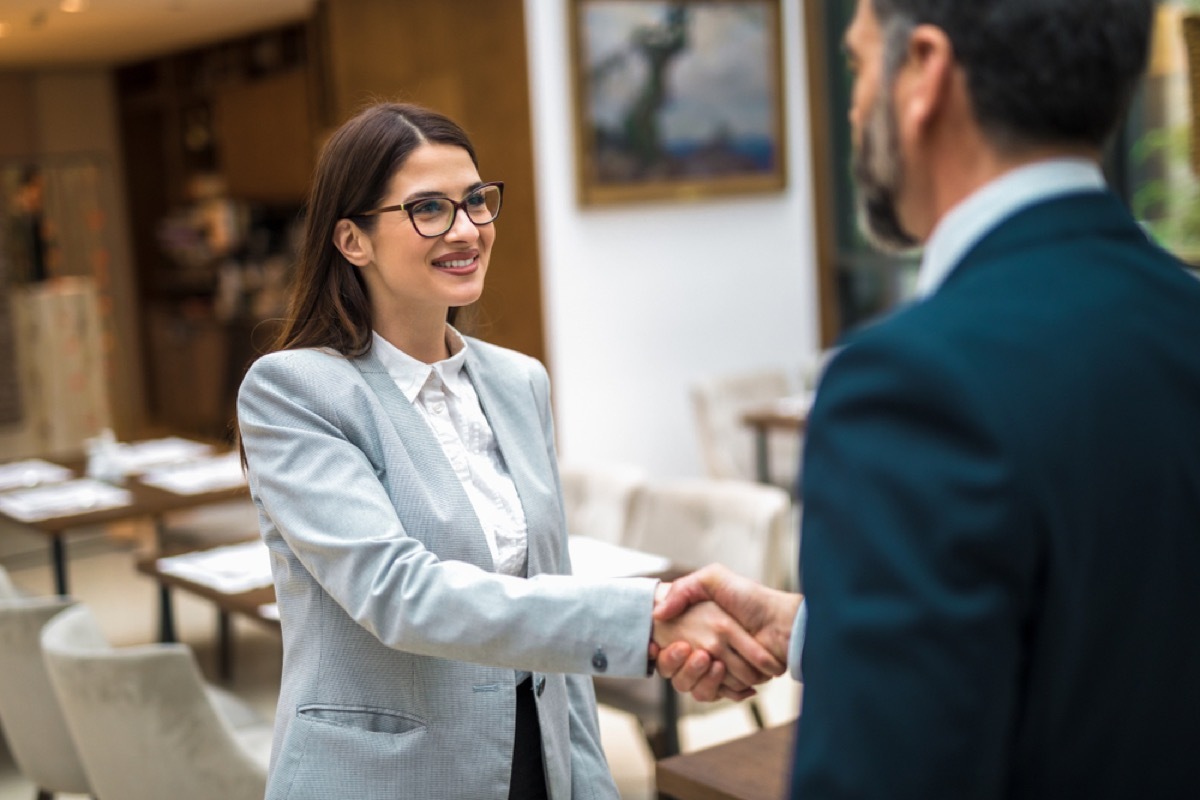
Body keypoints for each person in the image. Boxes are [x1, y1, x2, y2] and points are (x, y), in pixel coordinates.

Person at [656, 0, 1200, 796]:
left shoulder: (908, 387)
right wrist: (815, 628)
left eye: (856, 64)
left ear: (924, 72)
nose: (852, 107)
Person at [236, 102, 781, 800]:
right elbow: (402, 593)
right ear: (352, 240)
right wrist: (642, 618)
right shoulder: (295, 392)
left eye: (475, 203)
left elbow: (546, 597)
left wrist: (590, 782)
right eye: (428, 209)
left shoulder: (518, 381)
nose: (466, 230)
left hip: (533, 760)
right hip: (387, 777)